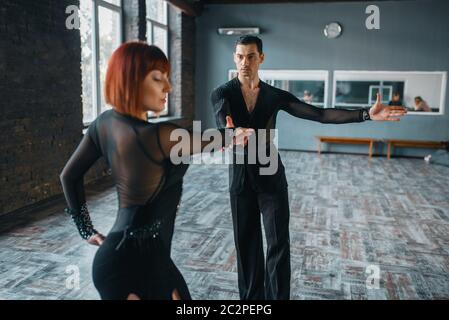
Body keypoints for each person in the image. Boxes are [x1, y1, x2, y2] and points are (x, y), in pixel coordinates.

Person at [211, 35, 407, 300]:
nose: (244, 62)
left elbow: (320, 114)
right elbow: (223, 117)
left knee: (279, 245)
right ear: (235, 57)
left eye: (251, 56)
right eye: (240, 56)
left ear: (261, 58)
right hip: (241, 180)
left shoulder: (274, 95)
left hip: (271, 178)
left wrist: (366, 114)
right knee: (247, 247)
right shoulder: (223, 92)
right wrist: (229, 130)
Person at [60, 41, 253, 300]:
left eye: (167, 77)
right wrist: (235, 133)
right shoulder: (159, 135)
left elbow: (69, 176)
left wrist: (86, 230)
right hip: (131, 266)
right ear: (132, 80)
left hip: (138, 257)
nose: (168, 87)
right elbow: (209, 139)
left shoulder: (103, 124)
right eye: (157, 78)